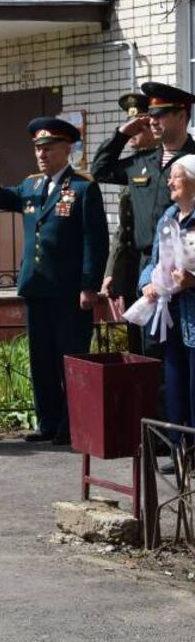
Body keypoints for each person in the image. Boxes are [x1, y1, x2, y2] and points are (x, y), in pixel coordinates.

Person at [0, 118, 108, 445]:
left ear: (68, 149)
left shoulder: (82, 187)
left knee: (69, 359)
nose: (42, 154)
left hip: (68, 291)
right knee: (42, 360)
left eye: (48, 147)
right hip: (36, 287)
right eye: (38, 148)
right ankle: (47, 422)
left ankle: (69, 423)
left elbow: (96, 240)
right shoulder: (32, 186)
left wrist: (89, 285)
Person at [93, 84, 195, 354]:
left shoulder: (193, 161)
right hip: (146, 267)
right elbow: (100, 170)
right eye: (151, 115)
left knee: (183, 352)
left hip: (185, 269)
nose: (152, 121)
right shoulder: (143, 162)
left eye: (160, 114)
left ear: (182, 115)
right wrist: (121, 134)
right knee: (149, 351)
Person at [139, 155, 195, 449]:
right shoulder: (169, 216)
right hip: (171, 315)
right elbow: (154, 260)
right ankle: (178, 450)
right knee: (174, 386)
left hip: (193, 317)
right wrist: (147, 282)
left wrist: (193, 282)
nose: (170, 181)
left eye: (176, 176)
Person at [98, 93, 158, 355]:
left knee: (160, 347)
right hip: (133, 268)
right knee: (138, 344)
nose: (133, 133)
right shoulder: (135, 164)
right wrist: (113, 270)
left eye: (138, 126)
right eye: (129, 126)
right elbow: (123, 229)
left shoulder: (170, 162)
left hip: (160, 268)